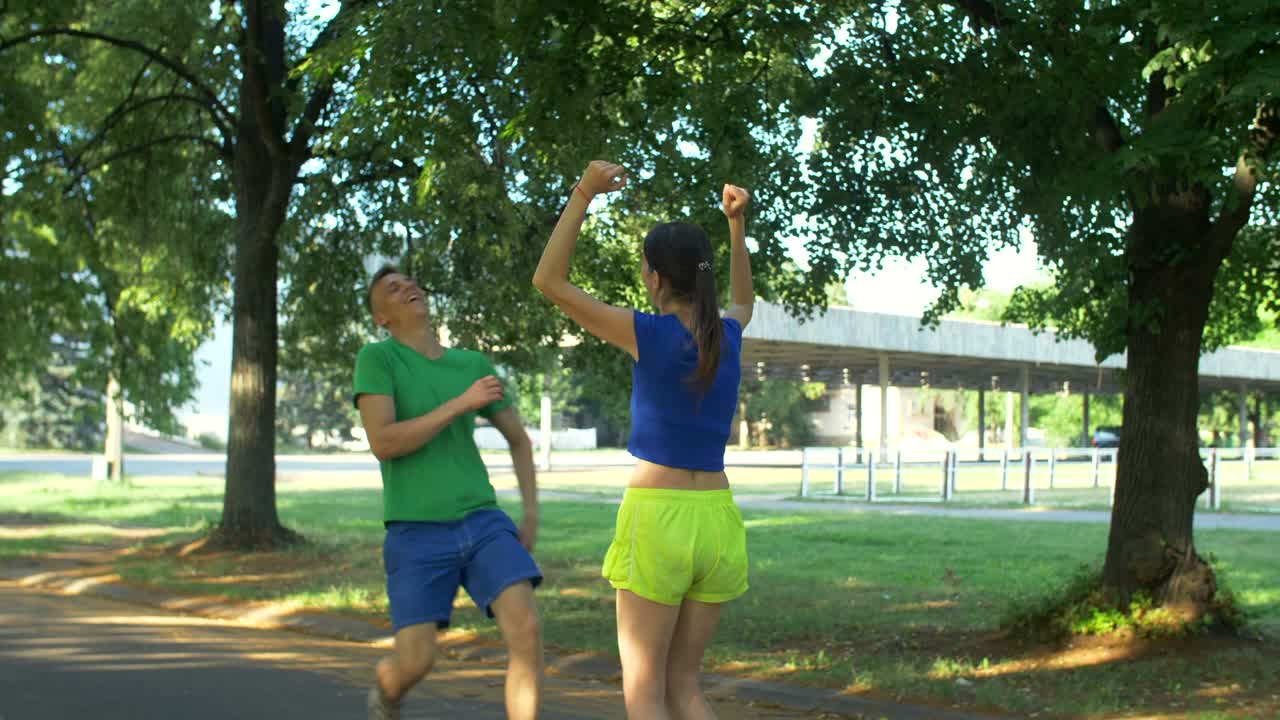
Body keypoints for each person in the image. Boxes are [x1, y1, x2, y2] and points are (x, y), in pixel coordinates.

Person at [532, 161, 754, 720]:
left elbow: (548, 281)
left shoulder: (647, 333)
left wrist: (583, 191)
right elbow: (744, 302)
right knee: (686, 686)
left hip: (660, 519)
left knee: (645, 687)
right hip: (719, 520)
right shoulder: (726, 335)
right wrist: (736, 224)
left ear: (655, 278)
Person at [353, 265, 543, 720]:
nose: (409, 289)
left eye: (411, 283)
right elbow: (385, 443)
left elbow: (519, 438)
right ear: (383, 318)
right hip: (415, 529)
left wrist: (530, 512)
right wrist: (461, 403)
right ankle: (386, 691)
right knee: (417, 660)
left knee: (528, 629)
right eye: (394, 290)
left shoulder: (472, 365)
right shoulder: (378, 360)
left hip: (481, 520)